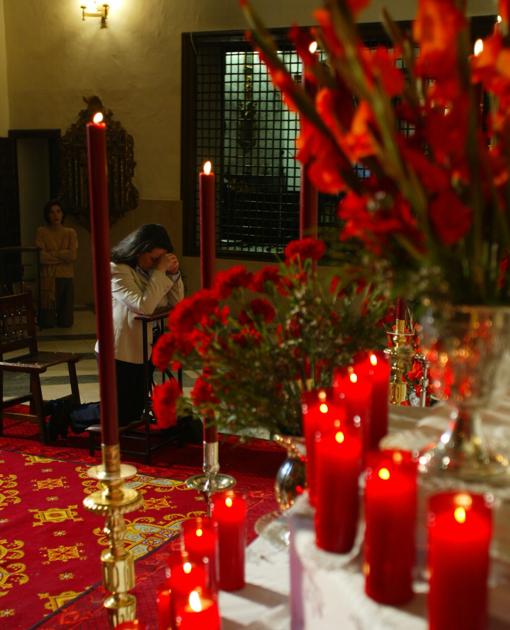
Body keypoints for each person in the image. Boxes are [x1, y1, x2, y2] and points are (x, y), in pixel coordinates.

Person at [102, 224, 184, 427]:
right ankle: (68, 413)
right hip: (121, 348)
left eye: (161, 260)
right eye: (153, 259)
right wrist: (159, 271)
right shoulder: (117, 269)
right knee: (120, 413)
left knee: (135, 408)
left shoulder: (152, 271)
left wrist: (173, 274)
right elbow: (144, 306)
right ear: (138, 250)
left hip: (147, 345)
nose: (157, 264)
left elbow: (177, 303)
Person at [36, 200, 78, 328]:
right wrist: (62, 255)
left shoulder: (70, 232)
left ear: (62, 214)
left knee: (66, 322)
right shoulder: (42, 231)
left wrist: (52, 253)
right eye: (52, 212)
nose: (56, 215)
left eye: (58, 211)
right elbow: (41, 257)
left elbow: (72, 256)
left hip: (66, 276)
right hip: (47, 276)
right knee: (47, 322)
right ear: (47, 215)